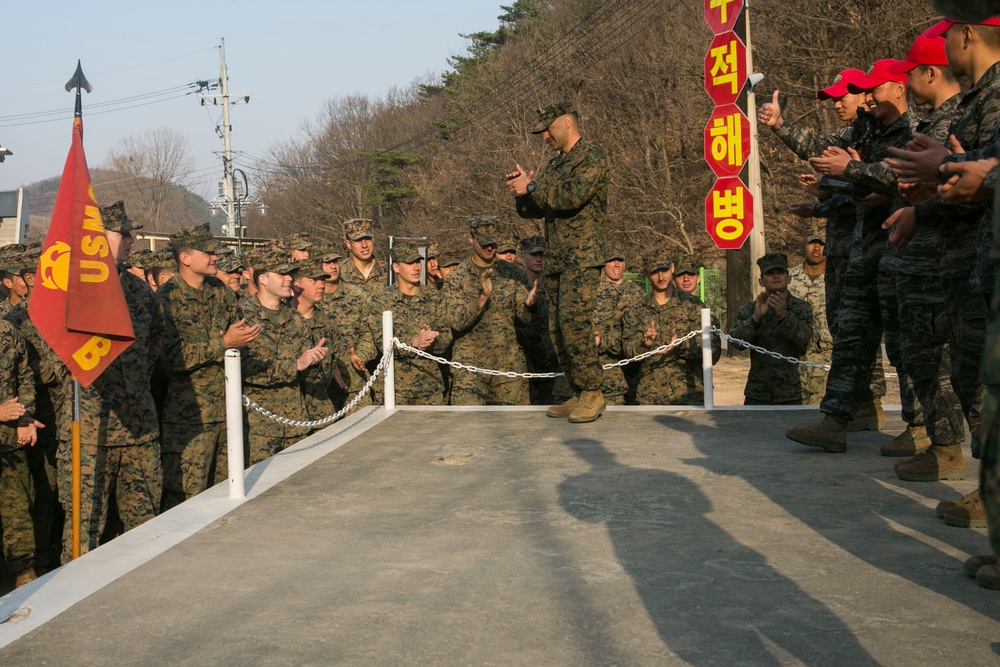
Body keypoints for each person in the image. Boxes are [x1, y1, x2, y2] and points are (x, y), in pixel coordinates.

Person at [765, 60, 918, 453]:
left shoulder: (913, 129)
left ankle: (923, 429)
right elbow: (847, 172)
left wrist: (844, 176)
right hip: (863, 251)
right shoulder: (868, 129)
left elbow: (894, 180)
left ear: (899, 88)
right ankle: (838, 419)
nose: (865, 97)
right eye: (862, 91)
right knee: (851, 334)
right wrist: (830, 184)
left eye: (870, 90)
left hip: (899, 248)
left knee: (905, 344)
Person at [59, 201, 163, 561]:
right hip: (90, 429)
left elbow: (155, 344)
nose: (132, 239)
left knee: (145, 527)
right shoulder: (70, 290)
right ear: (96, 237)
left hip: (138, 426)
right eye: (124, 233)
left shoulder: (137, 291)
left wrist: (134, 386)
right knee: (84, 530)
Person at [507, 101, 610, 423]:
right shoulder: (554, 165)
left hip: (582, 256)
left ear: (566, 123)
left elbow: (570, 197)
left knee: (575, 324)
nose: (544, 138)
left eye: (547, 130)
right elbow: (536, 209)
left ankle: (593, 391)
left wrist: (534, 186)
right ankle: (579, 390)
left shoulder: (592, 157)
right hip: (558, 259)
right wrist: (522, 193)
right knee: (557, 329)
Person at [158, 223, 259, 509]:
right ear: (185, 258)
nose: (215, 257)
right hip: (189, 420)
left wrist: (241, 337)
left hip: (228, 412)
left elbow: (237, 330)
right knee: (187, 501)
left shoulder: (220, 291)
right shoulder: (166, 300)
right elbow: (169, 359)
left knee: (228, 495)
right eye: (208, 252)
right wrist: (222, 343)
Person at [241, 249, 328, 464]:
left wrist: (314, 360)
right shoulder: (242, 316)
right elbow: (245, 368)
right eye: (281, 274)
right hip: (258, 427)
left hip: (295, 423)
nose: (289, 279)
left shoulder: (296, 319)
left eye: (290, 274)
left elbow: (308, 372)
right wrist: (295, 365)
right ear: (262, 279)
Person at [444, 217, 539, 405]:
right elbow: (456, 321)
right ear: (471, 239)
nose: (489, 248)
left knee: (514, 430)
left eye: (493, 243)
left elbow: (525, 320)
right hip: (470, 370)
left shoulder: (513, 273)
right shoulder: (457, 277)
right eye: (484, 243)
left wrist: (529, 304)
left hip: (508, 368)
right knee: (469, 429)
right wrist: (482, 298)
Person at [354, 242, 452, 405]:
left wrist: (433, 341)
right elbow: (381, 342)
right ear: (396, 267)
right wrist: (413, 343)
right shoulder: (380, 301)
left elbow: (446, 338)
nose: (416, 268)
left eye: (418, 262)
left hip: (429, 389)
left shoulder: (436, 299)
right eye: (409, 263)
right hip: (394, 390)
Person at [621, 248, 719, 405]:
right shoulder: (635, 310)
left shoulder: (694, 306)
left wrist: (682, 344)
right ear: (646, 273)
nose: (661, 277)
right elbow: (627, 350)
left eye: (665, 270)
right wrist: (643, 345)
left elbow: (713, 351)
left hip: (689, 393)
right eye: (655, 272)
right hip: (648, 395)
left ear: (672, 268)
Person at [731, 254, 815, 406]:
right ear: (761, 281)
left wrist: (784, 315)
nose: (776, 276)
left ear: (789, 278)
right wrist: (755, 319)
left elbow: (805, 341)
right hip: (758, 393)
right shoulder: (749, 309)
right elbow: (736, 343)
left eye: (780, 272)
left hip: (793, 392)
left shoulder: (802, 308)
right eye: (770, 273)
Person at [0, 316, 41, 586]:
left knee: (18, 521)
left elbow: (24, 376)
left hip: (9, 445)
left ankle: (22, 584)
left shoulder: (6, 330)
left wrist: (25, 417)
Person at [787, 226, 834, 405]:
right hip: (795, 354)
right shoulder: (789, 278)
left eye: (821, 245)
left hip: (828, 354)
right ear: (804, 247)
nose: (816, 249)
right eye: (812, 244)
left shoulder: (836, 278)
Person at [291, 259, 340, 425]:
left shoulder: (328, 323)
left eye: (322, 280)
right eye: (313, 280)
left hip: (320, 409)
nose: (321, 285)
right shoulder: (284, 321)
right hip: (288, 411)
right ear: (296, 285)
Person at [321, 246, 371, 412]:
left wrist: (361, 356)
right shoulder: (306, 299)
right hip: (322, 391)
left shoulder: (356, 295)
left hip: (354, 384)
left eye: (335, 262)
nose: (333, 267)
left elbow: (368, 333)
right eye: (327, 263)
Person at [340, 218, 387, 294]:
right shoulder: (339, 274)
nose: (364, 245)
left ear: (373, 240)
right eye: (358, 241)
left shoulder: (389, 272)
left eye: (367, 239)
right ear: (348, 244)